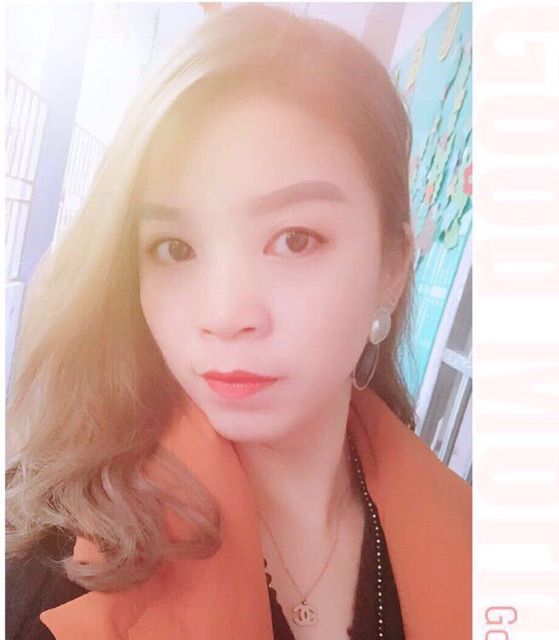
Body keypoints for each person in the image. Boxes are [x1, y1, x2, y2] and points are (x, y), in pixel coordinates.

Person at [5, 4, 471, 639]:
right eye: (174, 248)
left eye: (295, 240)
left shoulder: (474, 547)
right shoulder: (51, 568)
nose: (224, 316)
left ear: (391, 266)